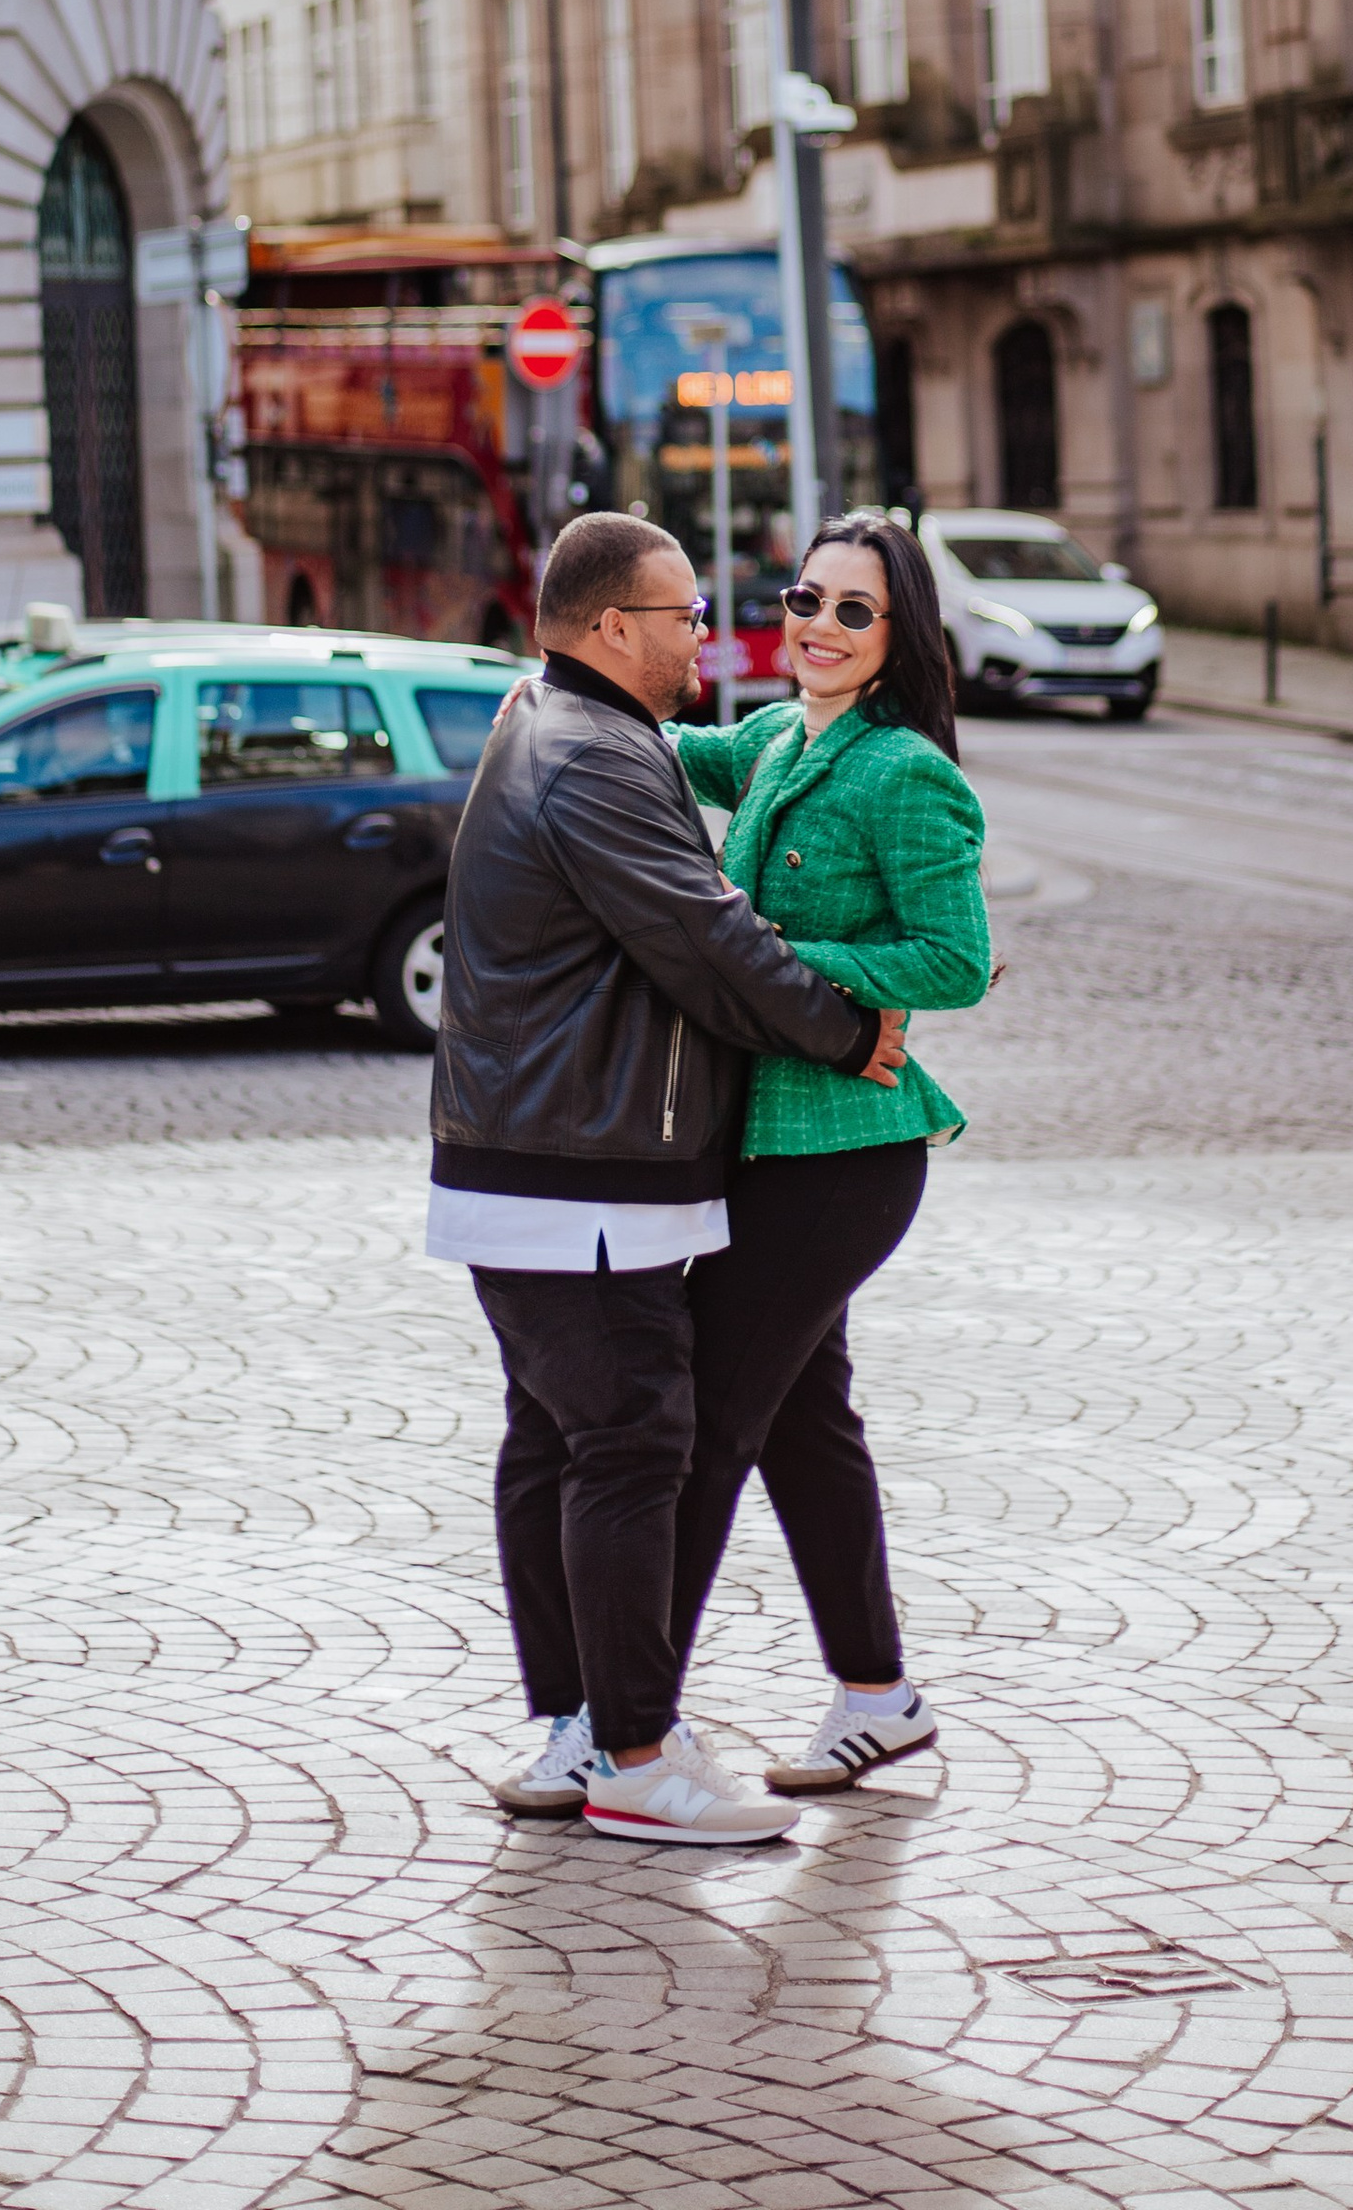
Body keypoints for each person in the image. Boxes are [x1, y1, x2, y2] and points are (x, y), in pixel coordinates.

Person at [427, 509, 909, 1847]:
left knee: (561, 1442)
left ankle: (586, 1726)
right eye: (685, 615)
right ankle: (635, 1753)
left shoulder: (566, 722)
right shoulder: (591, 755)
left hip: (541, 1158)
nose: (708, 636)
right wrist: (844, 1023)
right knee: (636, 1439)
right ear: (607, 629)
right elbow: (708, 944)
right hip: (575, 1169)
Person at [668, 509, 991, 1798]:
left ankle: (618, 1715)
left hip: (847, 1155)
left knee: (702, 1419)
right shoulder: (778, 737)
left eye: (853, 612)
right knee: (807, 1426)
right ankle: (878, 1693)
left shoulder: (902, 771)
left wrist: (787, 964)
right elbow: (681, 751)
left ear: (896, 633)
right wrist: (561, 694)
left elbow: (953, 960)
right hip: (771, 1142)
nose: (818, 628)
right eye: (806, 599)